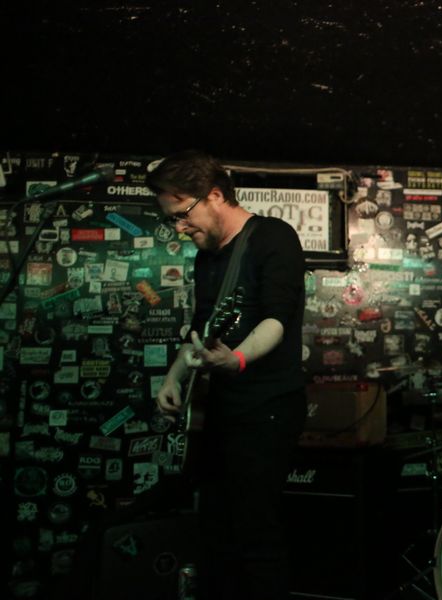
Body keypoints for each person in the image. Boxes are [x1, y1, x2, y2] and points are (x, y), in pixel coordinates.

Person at [149, 150, 306, 600]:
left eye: (183, 214)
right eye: (172, 220)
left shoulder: (273, 237)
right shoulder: (208, 257)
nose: (180, 228)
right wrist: (173, 378)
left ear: (215, 195)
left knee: (255, 530)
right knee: (216, 528)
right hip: (220, 410)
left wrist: (237, 359)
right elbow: (201, 329)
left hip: (267, 407)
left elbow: (276, 319)